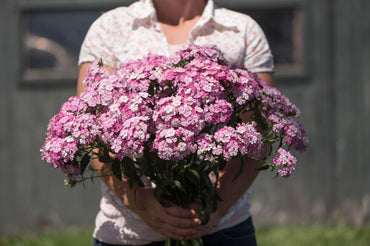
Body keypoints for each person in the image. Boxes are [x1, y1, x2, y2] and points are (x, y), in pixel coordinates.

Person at [76, 0, 274, 245]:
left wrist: (215, 206)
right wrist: (141, 202)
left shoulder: (241, 29)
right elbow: (91, 128)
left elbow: (259, 134)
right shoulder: (110, 26)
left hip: (221, 229)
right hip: (127, 232)